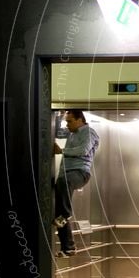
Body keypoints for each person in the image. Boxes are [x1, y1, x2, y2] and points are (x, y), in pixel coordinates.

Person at [53, 110, 100, 257]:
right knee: (58, 215)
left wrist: (62, 151)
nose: (67, 125)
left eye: (70, 121)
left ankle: (66, 214)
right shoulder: (72, 134)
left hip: (80, 173)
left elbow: (83, 150)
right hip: (67, 174)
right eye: (66, 121)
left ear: (80, 119)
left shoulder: (88, 132)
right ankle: (68, 248)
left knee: (63, 210)